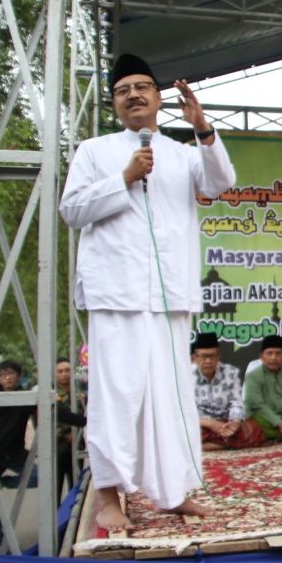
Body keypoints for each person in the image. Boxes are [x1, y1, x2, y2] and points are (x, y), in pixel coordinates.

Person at [59, 53, 235, 530]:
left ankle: (171, 492)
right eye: (123, 90)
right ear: (114, 103)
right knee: (117, 395)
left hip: (169, 293)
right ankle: (108, 494)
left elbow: (221, 182)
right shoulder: (94, 151)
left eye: (143, 87)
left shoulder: (182, 152)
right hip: (116, 293)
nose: (134, 95)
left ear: (158, 98)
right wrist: (124, 178)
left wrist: (202, 129)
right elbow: (72, 210)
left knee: (171, 397)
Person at [0, 360, 36, 553]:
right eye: (3, 374)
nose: (7, 377)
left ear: (18, 376)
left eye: (11, 373)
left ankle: (3, 482)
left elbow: (48, 412)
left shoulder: (25, 399)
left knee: (36, 476)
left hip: (16, 453)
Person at [191, 332, 263, 451]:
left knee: (252, 428)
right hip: (201, 424)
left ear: (218, 356)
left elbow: (237, 403)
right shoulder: (185, 376)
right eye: (203, 356)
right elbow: (183, 411)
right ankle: (223, 444)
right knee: (180, 430)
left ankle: (203, 446)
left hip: (225, 422)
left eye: (212, 356)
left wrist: (235, 424)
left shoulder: (230, 373)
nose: (208, 361)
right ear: (195, 358)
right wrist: (211, 424)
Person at [50, 358, 87, 496]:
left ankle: (74, 516)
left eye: (67, 370)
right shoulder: (51, 394)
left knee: (76, 484)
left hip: (76, 444)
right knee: (55, 487)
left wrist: (77, 429)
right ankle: (56, 516)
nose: (64, 374)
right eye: (60, 371)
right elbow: (59, 415)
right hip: (57, 445)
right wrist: (83, 422)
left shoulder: (81, 393)